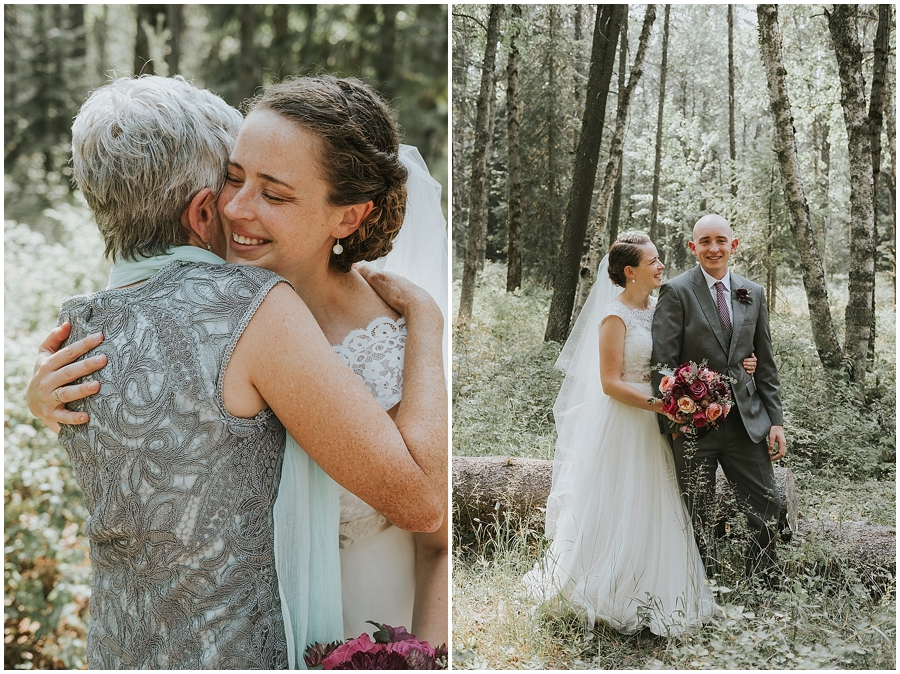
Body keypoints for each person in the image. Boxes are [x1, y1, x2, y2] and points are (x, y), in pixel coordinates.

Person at [25, 75, 446, 669]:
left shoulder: (383, 333)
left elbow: (432, 524)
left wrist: (422, 656)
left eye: (274, 193)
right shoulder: (229, 300)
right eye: (232, 177)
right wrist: (40, 392)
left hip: (375, 618)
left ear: (348, 218)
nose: (237, 207)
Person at [523, 232, 758, 636]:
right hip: (628, 421)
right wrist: (666, 404)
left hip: (662, 419)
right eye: (652, 262)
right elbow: (610, 382)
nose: (661, 266)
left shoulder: (660, 305)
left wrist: (741, 364)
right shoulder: (613, 317)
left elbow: (691, 350)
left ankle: (659, 586)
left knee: (659, 502)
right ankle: (608, 588)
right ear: (630, 272)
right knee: (622, 499)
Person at [650, 214, 785, 581]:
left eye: (721, 240)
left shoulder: (752, 292)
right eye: (705, 241)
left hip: (746, 422)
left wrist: (776, 422)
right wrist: (676, 419)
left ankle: (765, 584)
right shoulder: (676, 291)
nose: (714, 248)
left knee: (768, 506)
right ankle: (702, 590)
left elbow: (766, 364)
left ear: (733, 245)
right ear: (692, 247)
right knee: (698, 510)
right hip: (695, 428)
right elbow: (662, 365)